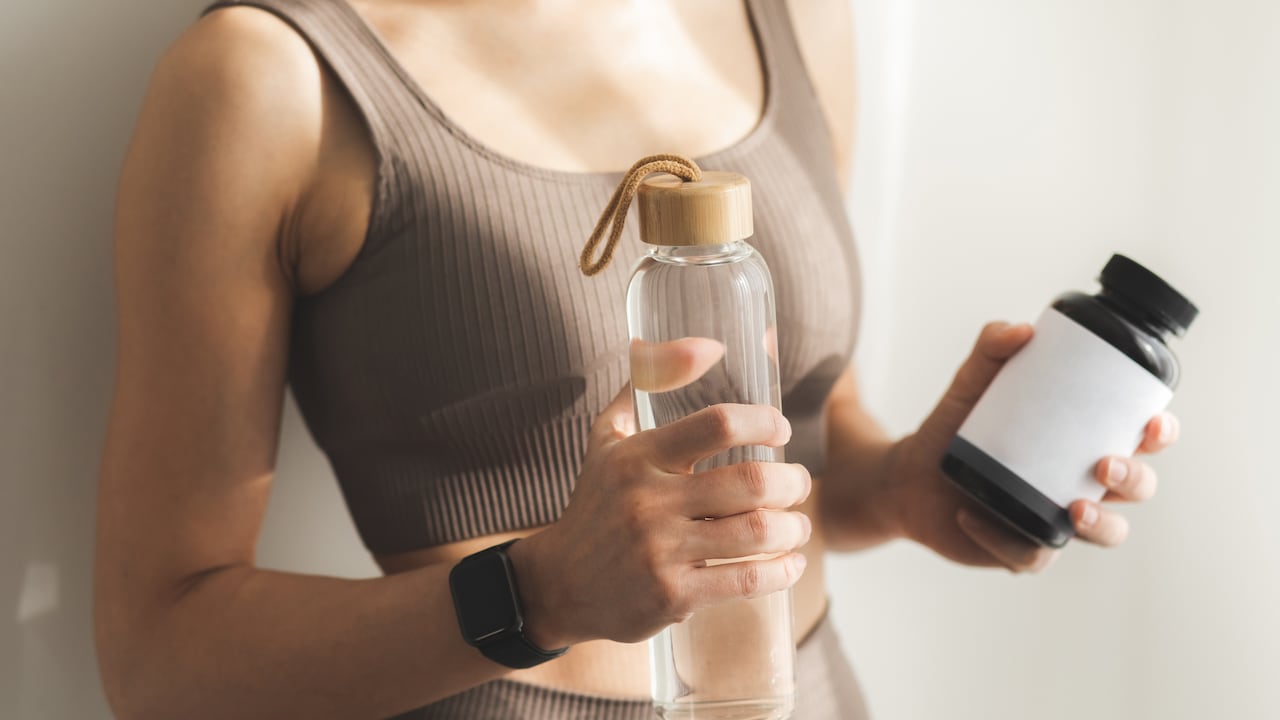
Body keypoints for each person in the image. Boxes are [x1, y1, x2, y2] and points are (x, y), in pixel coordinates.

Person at [94, 0, 1178, 717]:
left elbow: (798, 458)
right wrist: (542, 590)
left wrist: (897, 488)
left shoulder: (789, 16)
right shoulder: (264, 78)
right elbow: (157, 652)